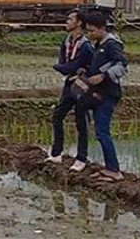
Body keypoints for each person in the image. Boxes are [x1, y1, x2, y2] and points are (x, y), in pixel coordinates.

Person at [79, 11, 128, 182]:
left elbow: (122, 65)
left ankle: (114, 171)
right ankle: (109, 168)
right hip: (98, 93)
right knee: (100, 131)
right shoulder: (98, 43)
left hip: (108, 94)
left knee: (102, 132)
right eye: (87, 31)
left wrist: (103, 76)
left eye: (92, 31)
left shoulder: (111, 44)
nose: (89, 34)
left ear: (102, 28)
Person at [45, 11, 94, 169]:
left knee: (81, 122)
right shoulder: (66, 42)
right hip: (69, 84)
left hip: (81, 86)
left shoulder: (85, 45)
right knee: (57, 115)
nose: (66, 21)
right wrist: (65, 68)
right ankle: (56, 153)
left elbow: (70, 66)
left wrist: (62, 68)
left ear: (79, 23)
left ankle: (81, 158)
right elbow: (65, 65)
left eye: (70, 19)